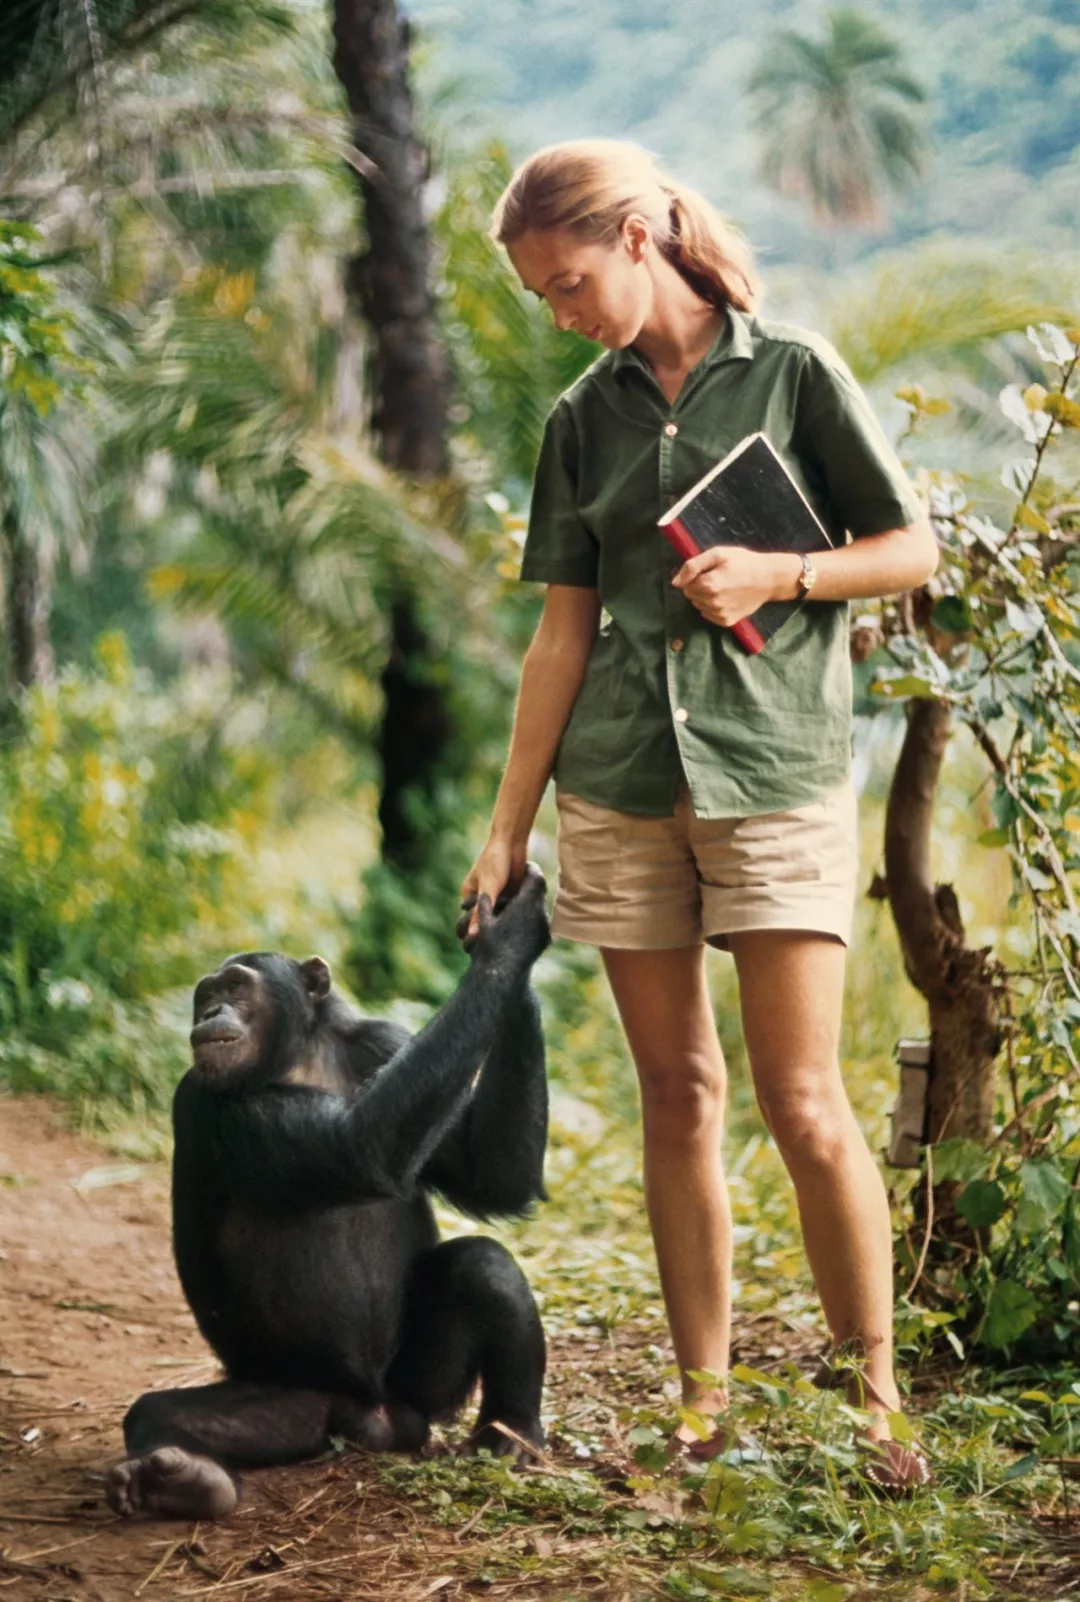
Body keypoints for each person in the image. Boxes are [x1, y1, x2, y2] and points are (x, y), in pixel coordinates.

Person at [460, 139, 938, 1491]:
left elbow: (910, 549)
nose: (557, 313)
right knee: (678, 1093)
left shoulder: (791, 373)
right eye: (540, 297)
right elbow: (560, 635)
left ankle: (875, 1399)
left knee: (802, 1097)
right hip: (618, 785)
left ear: (634, 235)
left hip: (773, 774)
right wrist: (510, 826)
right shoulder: (578, 423)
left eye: (565, 285)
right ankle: (700, 1401)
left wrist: (785, 568)